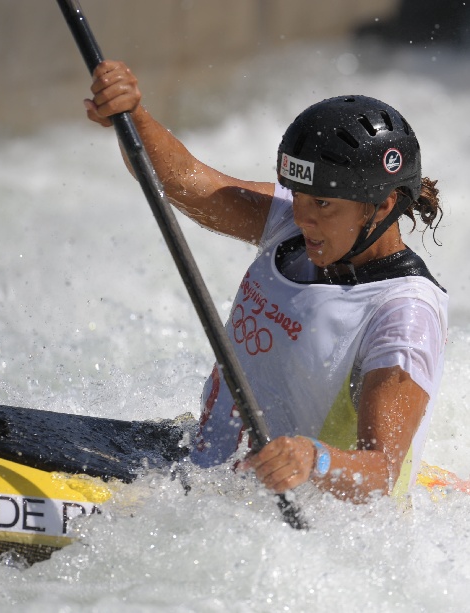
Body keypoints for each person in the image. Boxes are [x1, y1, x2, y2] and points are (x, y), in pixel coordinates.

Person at [84, 60, 448, 504]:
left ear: (382, 204)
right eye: (296, 195)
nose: (301, 216)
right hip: (208, 471)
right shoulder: (301, 227)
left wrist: (314, 459)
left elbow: (381, 472)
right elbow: (183, 182)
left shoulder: (404, 314)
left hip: (294, 517)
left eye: (322, 203)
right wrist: (132, 116)